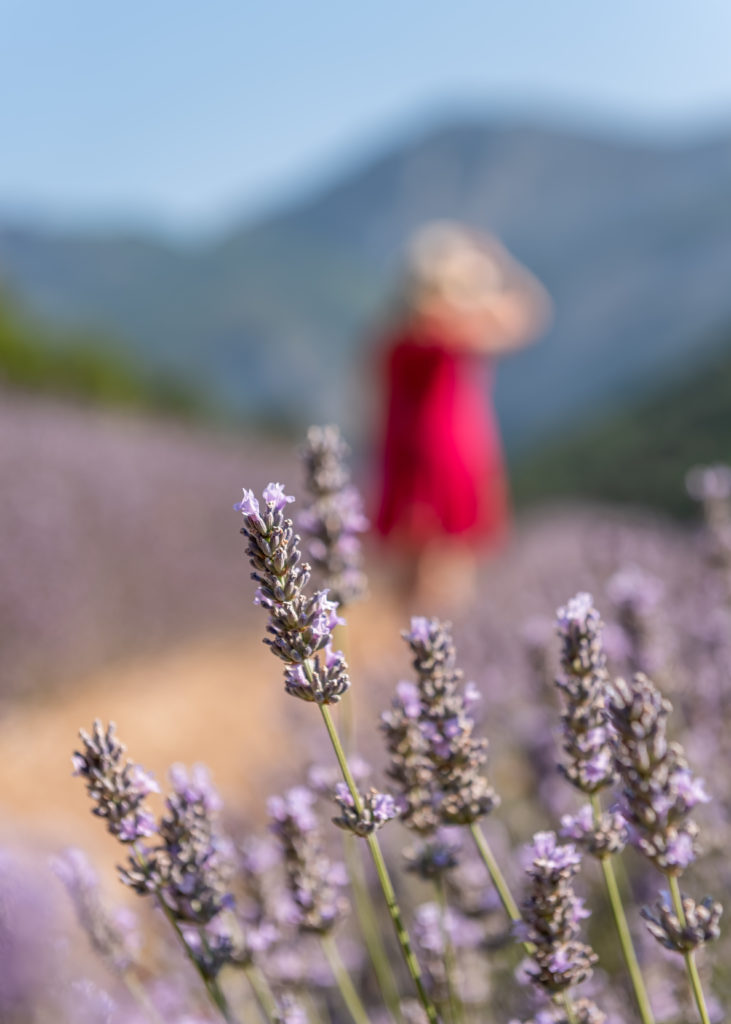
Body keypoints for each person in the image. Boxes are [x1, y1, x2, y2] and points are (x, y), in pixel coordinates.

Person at [374, 221, 551, 606]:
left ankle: (399, 661)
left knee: (408, 584)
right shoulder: (448, 334)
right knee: (444, 585)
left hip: (405, 461)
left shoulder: (394, 338)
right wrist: (501, 262)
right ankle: (431, 660)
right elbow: (529, 314)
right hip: (447, 462)